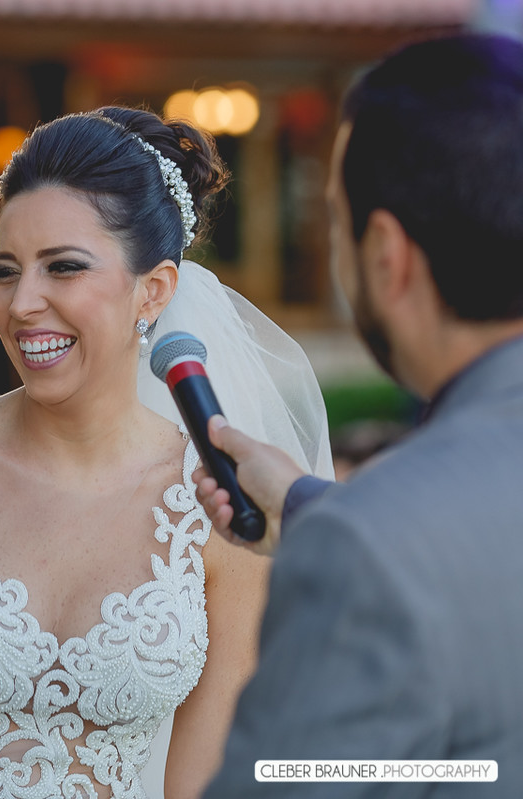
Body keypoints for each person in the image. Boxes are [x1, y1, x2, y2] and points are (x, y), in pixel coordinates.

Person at [0, 106, 332, 798]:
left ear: (153, 291)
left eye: (64, 267)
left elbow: (205, 785)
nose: (23, 303)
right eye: (6, 271)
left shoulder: (215, 506)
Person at [195, 34, 523, 796]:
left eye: (333, 223)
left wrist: (348, 531)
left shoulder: (368, 548)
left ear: (384, 254)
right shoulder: (373, 530)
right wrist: (308, 504)